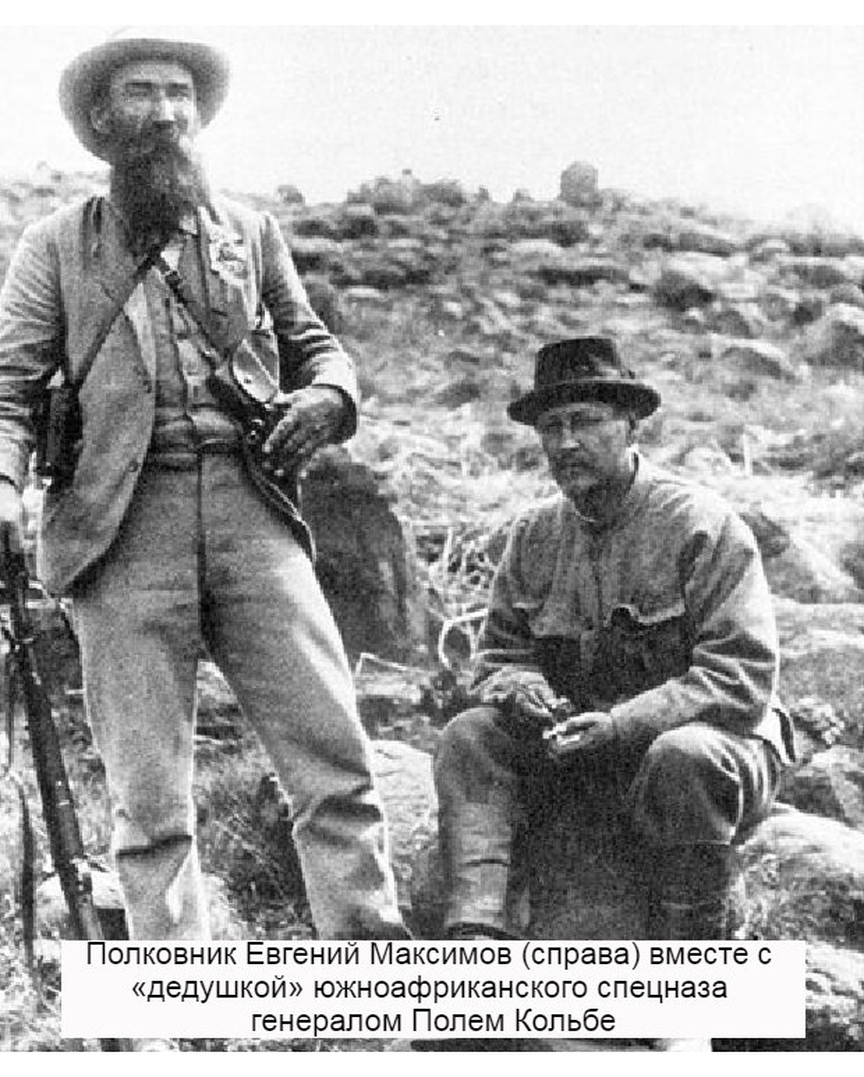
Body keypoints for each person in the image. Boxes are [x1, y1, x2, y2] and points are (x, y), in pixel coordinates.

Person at [0, 29, 408, 945]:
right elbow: (9, 389)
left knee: (335, 760)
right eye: (142, 93)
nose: (167, 113)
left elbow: (317, 348)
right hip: (120, 524)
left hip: (251, 513)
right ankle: (177, 991)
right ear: (102, 121)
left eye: (180, 94)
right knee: (148, 800)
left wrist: (330, 399)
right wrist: (2, 482)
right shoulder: (55, 246)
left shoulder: (250, 234)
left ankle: (372, 974)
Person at [433, 337, 795, 1047]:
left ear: (631, 426)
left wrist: (623, 723)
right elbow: (498, 656)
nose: (566, 442)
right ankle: (476, 943)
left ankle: (687, 1002)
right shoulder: (533, 535)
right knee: (470, 736)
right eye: (551, 427)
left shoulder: (701, 524)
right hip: (585, 750)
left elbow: (741, 674)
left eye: (587, 420)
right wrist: (523, 688)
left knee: (683, 755)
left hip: (715, 749)